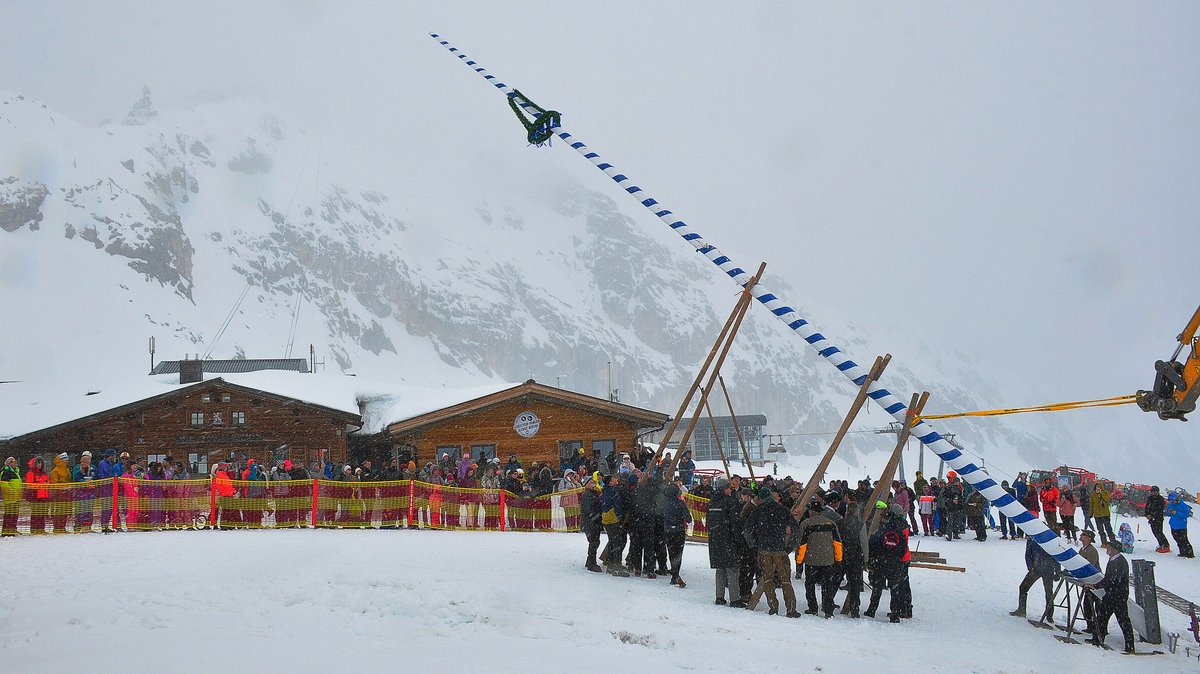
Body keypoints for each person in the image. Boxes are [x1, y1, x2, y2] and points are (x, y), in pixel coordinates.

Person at [744, 488, 800, 617]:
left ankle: (773, 607)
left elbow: (747, 530)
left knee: (768, 580)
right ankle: (791, 609)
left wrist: (753, 546)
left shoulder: (757, 511)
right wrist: (790, 546)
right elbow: (795, 529)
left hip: (764, 550)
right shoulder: (782, 509)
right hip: (780, 550)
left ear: (761, 498)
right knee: (785, 580)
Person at [1086, 540, 1136, 653]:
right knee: (1102, 617)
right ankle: (1097, 639)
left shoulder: (1120, 562)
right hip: (1111, 594)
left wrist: (1096, 586)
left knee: (1123, 620)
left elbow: (1112, 579)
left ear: (1115, 549)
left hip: (1118, 596)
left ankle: (1130, 645)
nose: (1107, 549)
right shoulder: (1114, 560)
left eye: (1109, 547)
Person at [864, 502, 911, 622]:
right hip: (896, 563)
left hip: (882, 562)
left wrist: (875, 558)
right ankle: (895, 614)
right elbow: (903, 548)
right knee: (895, 589)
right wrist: (897, 558)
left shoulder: (884, 528)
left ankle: (871, 610)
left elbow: (874, 543)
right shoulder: (902, 528)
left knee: (877, 588)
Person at [795, 499, 843, 618]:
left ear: (812, 511)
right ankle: (828, 609)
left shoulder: (806, 524)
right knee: (827, 585)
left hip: (812, 560)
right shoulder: (831, 523)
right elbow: (837, 542)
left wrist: (799, 560)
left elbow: (802, 545)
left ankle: (813, 608)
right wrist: (838, 559)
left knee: (810, 584)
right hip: (828, 560)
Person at [706, 477, 743, 605]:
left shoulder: (711, 503)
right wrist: (739, 540)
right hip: (728, 540)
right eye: (728, 488)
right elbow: (735, 524)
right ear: (724, 489)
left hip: (715, 540)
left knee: (720, 569)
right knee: (732, 569)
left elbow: (708, 522)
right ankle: (735, 599)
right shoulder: (730, 502)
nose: (730, 490)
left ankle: (719, 597)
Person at [1010, 537, 1058, 623]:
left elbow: (1055, 556)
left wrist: (1057, 571)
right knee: (1024, 588)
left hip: (1046, 569)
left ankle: (1049, 615)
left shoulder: (1040, 539)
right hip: (1038, 568)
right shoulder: (1035, 539)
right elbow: (1028, 555)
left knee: (1048, 592)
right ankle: (1022, 610)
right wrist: (1030, 567)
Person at [600, 474, 630, 576]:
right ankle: (616, 566)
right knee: (617, 543)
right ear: (610, 482)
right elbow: (617, 505)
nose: (616, 479)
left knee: (613, 541)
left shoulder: (605, 490)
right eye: (614, 479)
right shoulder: (614, 491)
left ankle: (611, 564)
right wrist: (620, 517)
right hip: (613, 519)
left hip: (606, 519)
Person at [662, 484, 692, 587]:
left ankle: (674, 574)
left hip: (668, 530)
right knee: (678, 553)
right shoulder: (681, 504)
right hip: (679, 531)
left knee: (671, 552)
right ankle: (675, 574)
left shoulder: (664, 504)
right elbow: (689, 518)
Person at [1077, 530, 1101, 634]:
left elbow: (1090, 565)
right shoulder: (1082, 549)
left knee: (1094, 605)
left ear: (1089, 538)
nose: (1081, 536)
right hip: (1088, 581)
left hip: (1094, 581)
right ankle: (1090, 625)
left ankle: (1096, 626)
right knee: (1087, 605)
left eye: (1084, 535)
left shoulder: (1091, 551)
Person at [579, 475, 604, 572]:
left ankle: (590, 560)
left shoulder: (593, 494)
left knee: (595, 542)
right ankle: (591, 563)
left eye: (594, 482)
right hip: (590, 523)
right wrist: (596, 516)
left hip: (593, 522)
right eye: (591, 482)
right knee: (594, 542)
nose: (593, 484)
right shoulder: (587, 495)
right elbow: (588, 509)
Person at [24, 457, 49, 534]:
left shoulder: (43, 473)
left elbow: (48, 482)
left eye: (41, 463)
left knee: (42, 513)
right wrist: (41, 484)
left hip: (44, 496)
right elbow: (30, 485)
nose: (40, 464)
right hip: (36, 496)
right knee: (36, 513)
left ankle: (41, 529)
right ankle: (35, 529)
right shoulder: (31, 473)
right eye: (38, 462)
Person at [1165, 491, 1194, 558]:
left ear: (1176, 499)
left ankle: (1190, 554)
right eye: (1171, 501)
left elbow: (1187, 514)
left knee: (1184, 540)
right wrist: (1170, 512)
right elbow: (1168, 513)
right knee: (1178, 540)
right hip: (1173, 526)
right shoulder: (1171, 504)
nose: (1172, 502)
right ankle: (1182, 552)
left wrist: (1177, 513)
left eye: (1173, 500)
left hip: (1181, 526)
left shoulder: (1183, 505)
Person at [1145, 486, 1170, 553]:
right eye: (1152, 491)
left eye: (1154, 491)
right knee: (1155, 532)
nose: (1153, 493)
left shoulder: (1160, 499)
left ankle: (1166, 545)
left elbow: (1160, 509)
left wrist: (1153, 515)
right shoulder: (1150, 499)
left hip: (1158, 518)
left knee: (1159, 532)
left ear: (1157, 492)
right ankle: (1161, 544)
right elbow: (1147, 507)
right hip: (1151, 519)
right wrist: (1147, 514)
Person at [1, 457, 22, 536]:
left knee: (14, 514)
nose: (16, 463)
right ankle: (7, 531)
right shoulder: (6, 472)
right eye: (14, 462)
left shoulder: (15, 471)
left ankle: (12, 529)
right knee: (9, 515)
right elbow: (4, 484)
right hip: (9, 498)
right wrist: (12, 492)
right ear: (9, 463)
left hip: (16, 497)